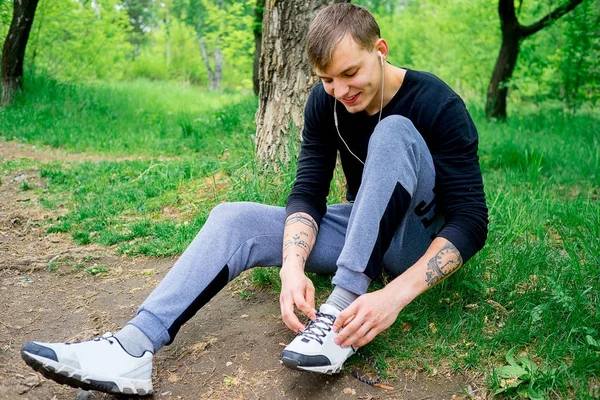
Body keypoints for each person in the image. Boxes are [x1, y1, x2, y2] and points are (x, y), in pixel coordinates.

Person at [21, 3, 488, 396]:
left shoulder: (437, 102)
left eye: (350, 73)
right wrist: (292, 265)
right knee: (233, 219)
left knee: (393, 132)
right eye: (327, 79)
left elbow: (470, 222)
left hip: (415, 239)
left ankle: (339, 316)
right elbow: (307, 192)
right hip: (364, 229)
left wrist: (393, 296)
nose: (340, 91)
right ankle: (131, 348)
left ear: (379, 51)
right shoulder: (325, 103)